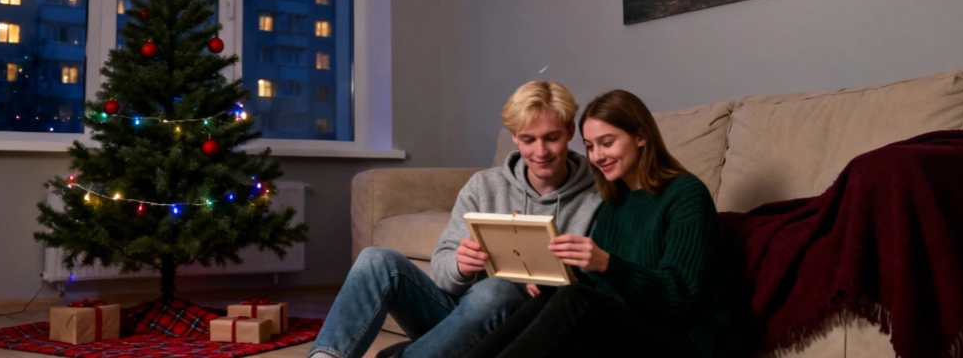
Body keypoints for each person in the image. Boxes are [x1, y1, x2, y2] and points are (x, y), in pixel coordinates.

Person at [309, 81, 604, 358]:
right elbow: (442, 271)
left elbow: (596, 287)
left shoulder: (599, 194)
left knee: (496, 290)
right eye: (528, 139)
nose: (540, 152)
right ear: (514, 136)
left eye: (551, 138)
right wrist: (460, 267)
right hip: (462, 314)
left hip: (524, 329)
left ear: (569, 131)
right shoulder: (484, 186)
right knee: (375, 260)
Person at [458, 89, 727, 358]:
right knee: (554, 296)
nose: (597, 156)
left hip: (683, 339)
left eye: (607, 143)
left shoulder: (685, 194)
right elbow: (603, 291)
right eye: (589, 146)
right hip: (627, 329)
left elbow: (679, 294)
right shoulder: (613, 202)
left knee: (575, 298)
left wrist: (606, 263)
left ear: (641, 137)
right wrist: (552, 285)